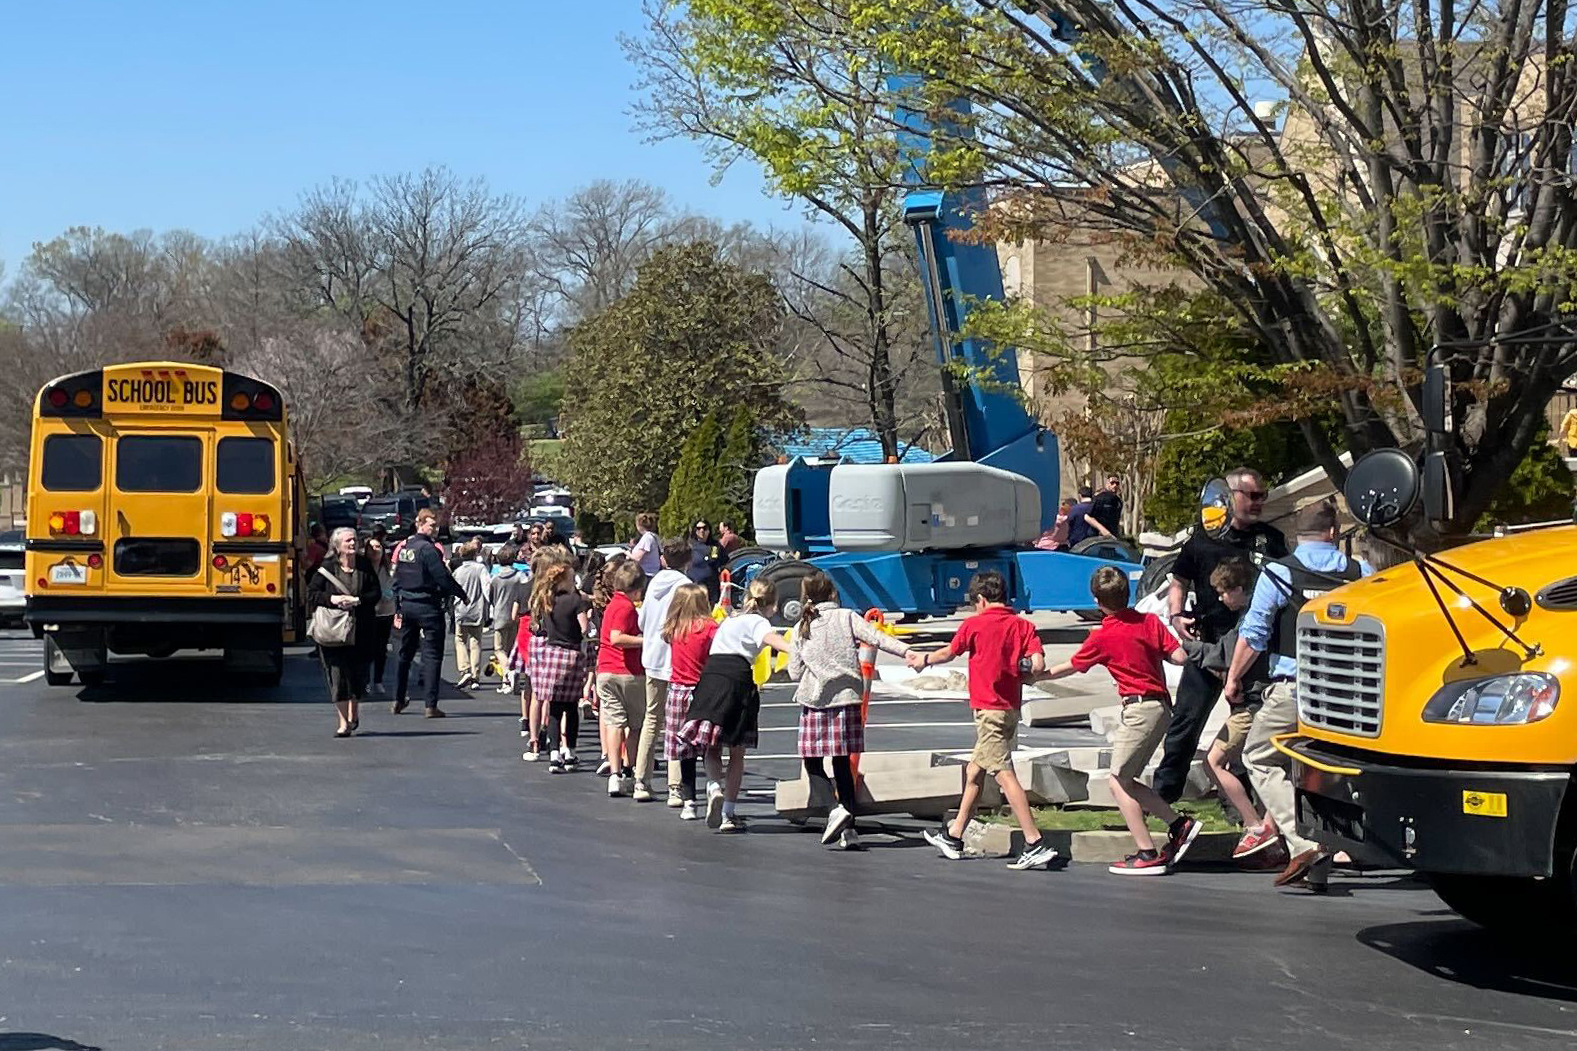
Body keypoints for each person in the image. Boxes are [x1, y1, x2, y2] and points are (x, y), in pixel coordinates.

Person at [1225, 500, 1370, 889]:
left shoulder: (1278, 573)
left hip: (1297, 689)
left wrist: (1233, 678)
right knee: (1321, 767)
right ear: (1334, 532)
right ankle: (1319, 866)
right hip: (1351, 693)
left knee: (1259, 755)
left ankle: (1304, 841)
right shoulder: (1362, 574)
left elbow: (1254, 633)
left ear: (1295, 535)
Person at [1038, 567, 1201, 875]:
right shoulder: (1150, 622)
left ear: (1097, 601)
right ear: (1128, 594)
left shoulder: (1103, 636)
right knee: (1127, 778)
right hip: (1160, 707)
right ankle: (1178, 824)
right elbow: (1179, 657)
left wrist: (1037, 675)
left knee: (1118, 781)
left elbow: (1071, 666)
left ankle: (1147, 850)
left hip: (1138, 709)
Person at [1155, 466, 1288, 802]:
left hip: (1251, 651)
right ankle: (1165, 797)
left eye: (1263, 496)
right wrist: (1175, 615)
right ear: (1231, 497)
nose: (1259, 503)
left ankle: (1241, 807)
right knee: (1185, 723)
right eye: (1253, 496)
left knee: (1244, 730)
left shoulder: (1270, 540)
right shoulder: (1203, 538)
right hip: (1208, 643)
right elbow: (1178, 580)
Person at [910, 571, 1058, 870]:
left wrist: (921, 660)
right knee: (975, 771)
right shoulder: (1023, 626)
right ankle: (954, 835)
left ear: (980, 599)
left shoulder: (974, 625)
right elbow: (1039, 664)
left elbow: (948, 653)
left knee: (1003, 774)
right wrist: (1023, 673)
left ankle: (1034, 841)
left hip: (987, 711)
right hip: (1009, 709)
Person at [788, 572, 913, 850]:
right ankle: (849, 828)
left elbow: (794, 672)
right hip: (847, 699)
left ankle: (835, 809)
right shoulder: (847, 616)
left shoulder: (801, 627)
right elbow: (877, 638)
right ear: (833, 593)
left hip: (815, 700)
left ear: (805, 597)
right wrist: (908, 652)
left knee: (812, 761)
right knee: (842, 763)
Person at [678, 579, 791, 832]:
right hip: (738, 678)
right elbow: (770, 638)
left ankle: (713, 786)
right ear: (771, 604)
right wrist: (796, 648)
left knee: (712, 746)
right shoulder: (759, 621)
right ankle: (728, 813)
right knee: (737, 751)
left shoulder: (729, 620)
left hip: (711, 676)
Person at [1194, 559, 1278, 862]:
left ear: (1240, 589)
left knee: (1213, 762)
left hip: (1253, 705)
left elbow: (1227, 656)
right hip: (1267, 701)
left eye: (1223, 592)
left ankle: (1254, 825)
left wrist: (1188, 648)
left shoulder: (1249, 621)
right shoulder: (1266, 614)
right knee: (1274, 768)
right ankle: (1271, 833)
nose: (1220, 598)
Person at [634, 537, 694, 804]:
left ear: (662, 560)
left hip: (652, 659)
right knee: (676, 724)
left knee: (652, 719)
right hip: (677, 660)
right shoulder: (686, 587)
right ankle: (674, 786)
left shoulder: (653, 583)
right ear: (688, 562)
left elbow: (642, 621)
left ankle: (641, 780)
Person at [392, 508, 468, 718]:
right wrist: (460, 594)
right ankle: (430, 705)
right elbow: (442, 578)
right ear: (420, 523)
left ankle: (398, 699)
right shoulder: (428, 550)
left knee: (404, 655)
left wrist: (398, 606)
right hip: (427, 606)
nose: (434, 529)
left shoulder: (405, 547)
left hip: (407, 604)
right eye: (431, 525)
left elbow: (397, 578)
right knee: (432, 656)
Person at [308, 527, 382, 737]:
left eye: (355, 540)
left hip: (361, 631)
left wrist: (358, 600)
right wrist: (332, 600)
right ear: (337, 545)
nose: (353, 543)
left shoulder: (364, 566)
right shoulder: (327, 568)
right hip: (334, 633)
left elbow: (375, 593)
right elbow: (312, 594)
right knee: (337, 676)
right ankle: (343, 723)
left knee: (358, 676)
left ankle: (353, 712)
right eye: (348, 540)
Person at [661, 583, 718, 821]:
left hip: (677, 691)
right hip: (703, 690)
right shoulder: (709, 628)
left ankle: (689, 801)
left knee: (684, 750)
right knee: (709, 744)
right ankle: (714, 786)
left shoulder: (673, 628)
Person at [529, 559, 590, 773]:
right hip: (572, 653)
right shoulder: (576, 600)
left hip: (552, 653)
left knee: (554, 707)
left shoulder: (548, 599)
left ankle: (554, 755)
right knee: (571, 707)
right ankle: (570, 752)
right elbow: (584, 628)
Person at [595, 560, 647, 796]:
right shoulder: (626, 607)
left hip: (605, 669)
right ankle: (628, 769)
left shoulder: (612, 604)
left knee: (615, 722)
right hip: (626, 671)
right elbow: (617, 637)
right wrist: (645, 640)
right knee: (636, 725)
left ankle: (615, 774)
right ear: (636, 589)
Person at [487, 544, 528, 696]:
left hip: (500, 614)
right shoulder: (520, 576)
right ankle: (510, 678)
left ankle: (508, 673)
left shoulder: (495, 578)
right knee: (511, 648)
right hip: (516, 615)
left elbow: (490, 597)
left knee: (499, 649)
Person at [451, 539, 491, 690]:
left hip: (461, 609)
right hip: (477, 610)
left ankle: (464, 669)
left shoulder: (458, 571)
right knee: (476, 642)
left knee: (460, 639)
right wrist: (490, 605)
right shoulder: (480, 569)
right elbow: (486, 588)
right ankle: (475, 676)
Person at [363, 535, 397, 699]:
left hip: (386, 611)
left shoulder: (389, 567)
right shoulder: (363, 568)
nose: (375, 550)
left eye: (378, 547)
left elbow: (396, 584)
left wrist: (391, 595)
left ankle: (378, 680)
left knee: (381, 648)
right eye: (372, 548)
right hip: (368, 612)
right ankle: (365, 680)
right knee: (366, 648)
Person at [685, 520, 727, 605]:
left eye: (705, 528)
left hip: (712, 586)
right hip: (694, 586)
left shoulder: (715, 545)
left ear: (709, 530)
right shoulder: (690, 545)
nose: (702, 531)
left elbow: (722, 560)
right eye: (698, 528)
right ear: (694, 530)